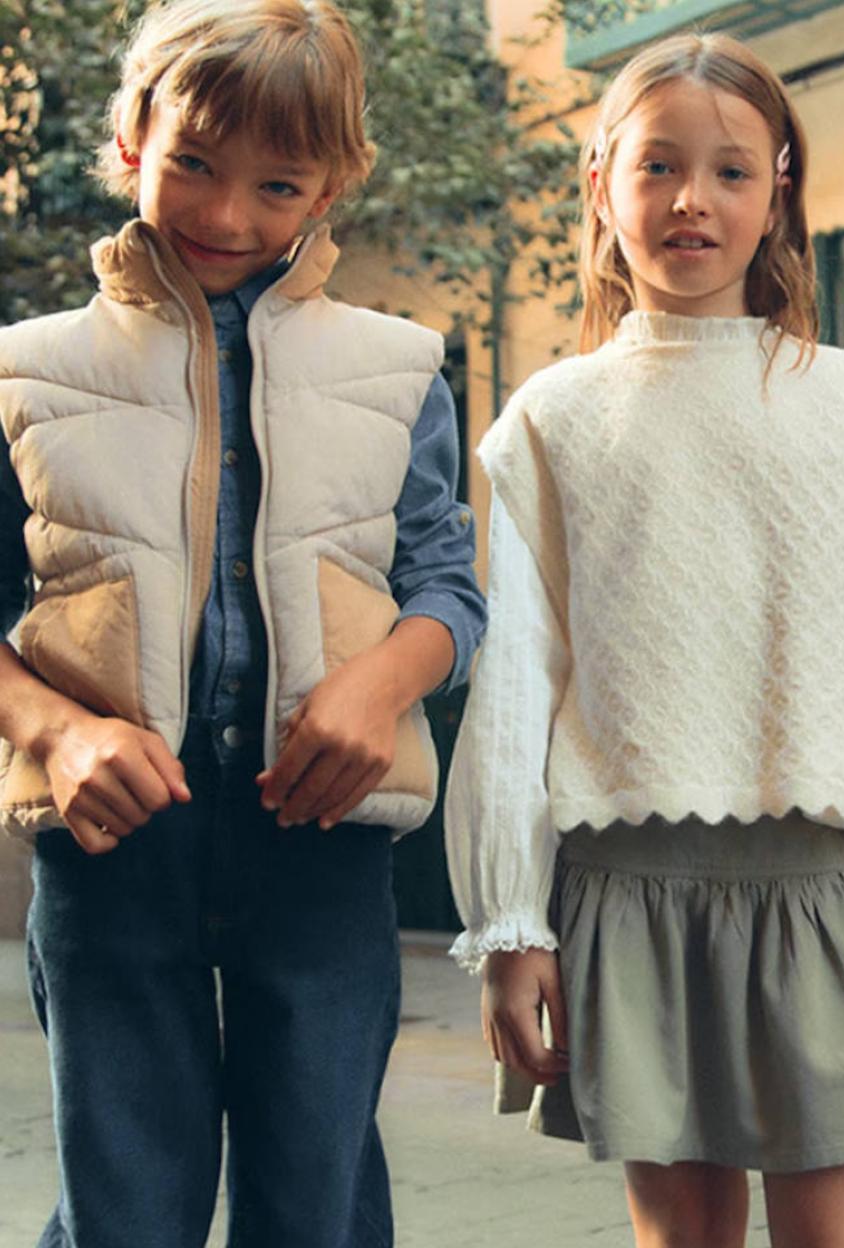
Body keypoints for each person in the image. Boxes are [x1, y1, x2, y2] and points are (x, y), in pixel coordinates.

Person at [445, 30, 844, 1248]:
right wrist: (510, 925)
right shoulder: (553, 420)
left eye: (733, 171)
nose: (693, 200)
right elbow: (518, 679)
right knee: (681, 1236)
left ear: (779, 191)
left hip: (821, 891)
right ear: (600, 184)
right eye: (657, 166)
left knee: (839, 1232)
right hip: (626, 893)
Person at [0, 2, 486, 1244]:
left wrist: (379, 690)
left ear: (337, 180)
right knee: (127, 1210)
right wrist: (56, 735)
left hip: (319, 842)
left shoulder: (398, 369)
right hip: (112, 850)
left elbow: (449, 587)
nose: (225, 217)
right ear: (129, 140)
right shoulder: (27, 373)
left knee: (314, 1203)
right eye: (194, 166)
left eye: (278, 182)